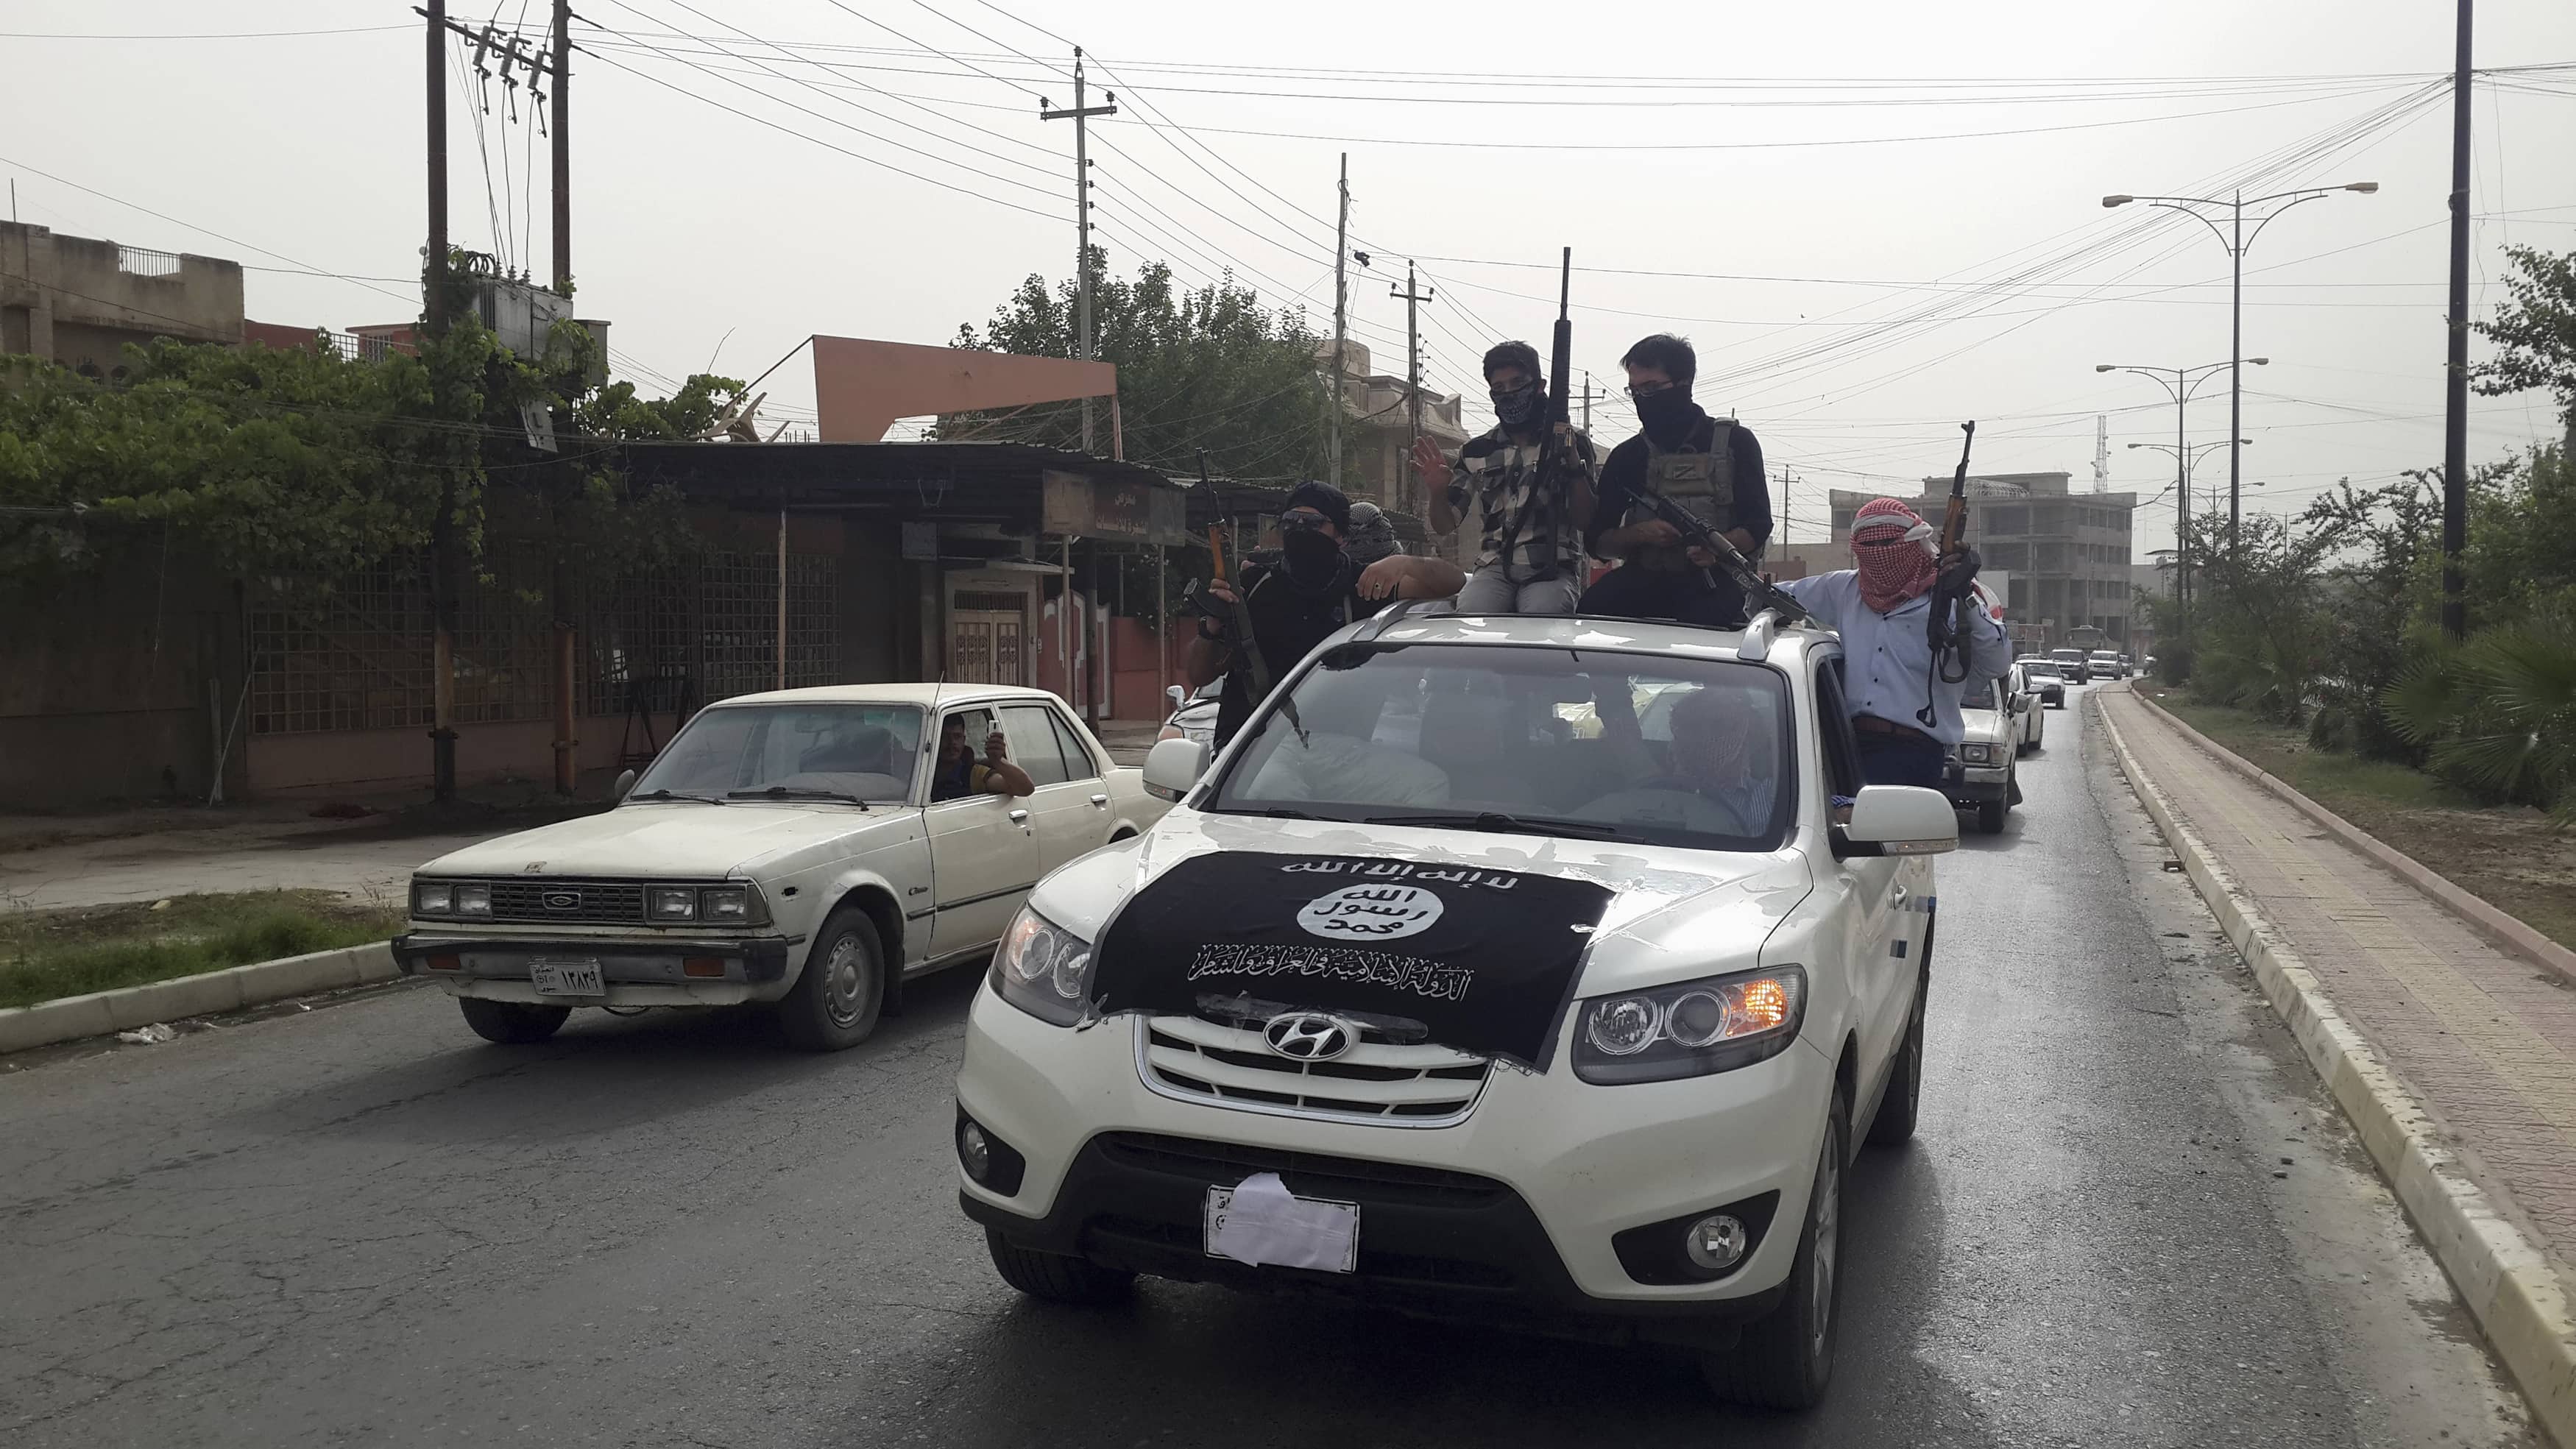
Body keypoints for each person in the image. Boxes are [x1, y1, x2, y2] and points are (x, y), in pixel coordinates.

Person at [1185, 481, 1465, 751]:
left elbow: (1454, 583)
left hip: (1334, 755)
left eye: (1313, 523)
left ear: (1341, 535)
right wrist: (1211, 626)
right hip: (1249, 755)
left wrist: (1405, 562)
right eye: (1291, 521)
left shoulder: (1362, 586)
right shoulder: (1254, 584)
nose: (1299, 530)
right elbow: (1199, 675)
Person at [1775, 497, 2009, 788]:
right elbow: (1778, 597)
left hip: (1915, 749)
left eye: (1887, 545)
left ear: (1913, 543)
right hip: (1847, 744)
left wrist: (1965, 596)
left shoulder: (1951, 597)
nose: (1878, 556)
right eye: (1868, 548)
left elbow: (1997, 662)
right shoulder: (1846, 589)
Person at [1581, 334, 1774, 627]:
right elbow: (1598, 543)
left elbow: (1758, 526)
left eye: (1651, 388)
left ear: (1684, 383)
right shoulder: (1628, 456)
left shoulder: (1736, 443)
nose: (1642, 399)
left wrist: (1716, 549)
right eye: (1634, 390)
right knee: (1589, 613)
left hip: (1716, 583)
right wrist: (1640, 534)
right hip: (1644, 580)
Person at [1410, 341, 1599, 615]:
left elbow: (1587, 520)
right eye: (1499, 389)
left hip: (1550, 569)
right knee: (1473, 617)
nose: (1509, 394)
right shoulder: (1476, 450)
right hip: (1494, 568)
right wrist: (1437, 492)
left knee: (1542, 617)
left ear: (1540, 386)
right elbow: (1444, 524)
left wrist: (1571, 462)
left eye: (1517, 383)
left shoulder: (1571, 440)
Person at [928, 716, 1035, 801]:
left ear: (964, 739)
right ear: (934, 739)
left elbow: (1025, 789)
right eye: (945, 737)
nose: (952, 743)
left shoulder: (974, 774)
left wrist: (999, 762)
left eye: (957, 737)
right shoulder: (921, 772)